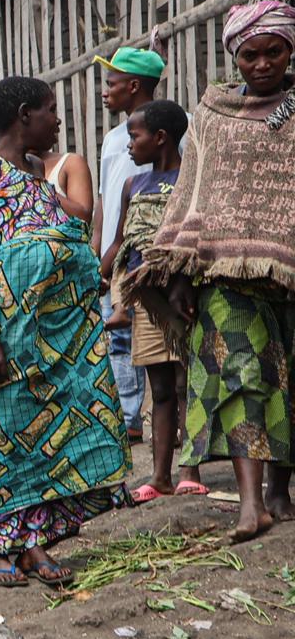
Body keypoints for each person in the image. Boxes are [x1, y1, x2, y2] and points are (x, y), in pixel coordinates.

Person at [0, 76, 128, 586]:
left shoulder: (38, 177)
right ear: (24, 114)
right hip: (2, 333)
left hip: (53, 341)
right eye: (51, 110)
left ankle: (34, 545)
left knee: (48, 436)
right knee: (3, 435)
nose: (58, 121)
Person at [137, 2, 295, 540]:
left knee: (287, 376)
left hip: (288, 274)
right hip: (225, 276)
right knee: (241, 375)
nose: (262, 64)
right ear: (234, 55)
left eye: (274, 51)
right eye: (250, 54)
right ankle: (252, 503)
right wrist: (179, 273)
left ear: (289, 49)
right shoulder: (211, 116)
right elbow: (193, 196)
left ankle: (279, 488)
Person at [104, 98, 204, 503]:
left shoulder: (191, 181)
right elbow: (121, 241)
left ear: (160, 137)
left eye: (135, 135)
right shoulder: (134, 185)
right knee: (159, 389)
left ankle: (190, 468)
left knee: (187, 384)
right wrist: (101, 274)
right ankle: (160, 475)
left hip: (184, 299)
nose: (129, 144)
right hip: (146, 303)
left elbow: (197, 238)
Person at [97, 46, 167, 442]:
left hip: (156, 255)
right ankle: (129, 418)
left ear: (134, 86)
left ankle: (172, 420)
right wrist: (98, 249)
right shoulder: (112, 139)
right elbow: (107, 199)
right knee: (120, 337)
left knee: (165, 337)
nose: (106, 92)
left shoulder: (179, 125)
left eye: (112, 84)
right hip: (116, 253)